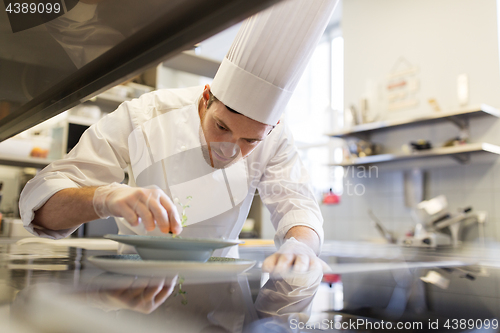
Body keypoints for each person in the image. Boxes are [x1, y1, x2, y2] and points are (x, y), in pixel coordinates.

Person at [19, 0, 338, 273]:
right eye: (222, 127)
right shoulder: (144, 115)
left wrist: (302, 248)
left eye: (250, 141)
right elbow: (42, 202)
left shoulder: (277, 137)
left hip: (224, 303)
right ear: (205, 98)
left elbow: (298, 206)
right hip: (134, 290)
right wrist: (106, 197)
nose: (229, 150)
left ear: (272, 126)